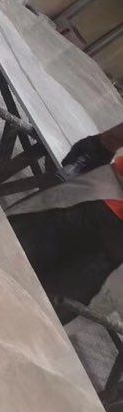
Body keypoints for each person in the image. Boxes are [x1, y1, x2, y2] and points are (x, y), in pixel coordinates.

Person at [8, 127, 123, 319]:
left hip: (98, 201)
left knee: (1, 253)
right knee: (34, 313)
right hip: (105, 222)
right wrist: (101, 146)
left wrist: (101, 146)